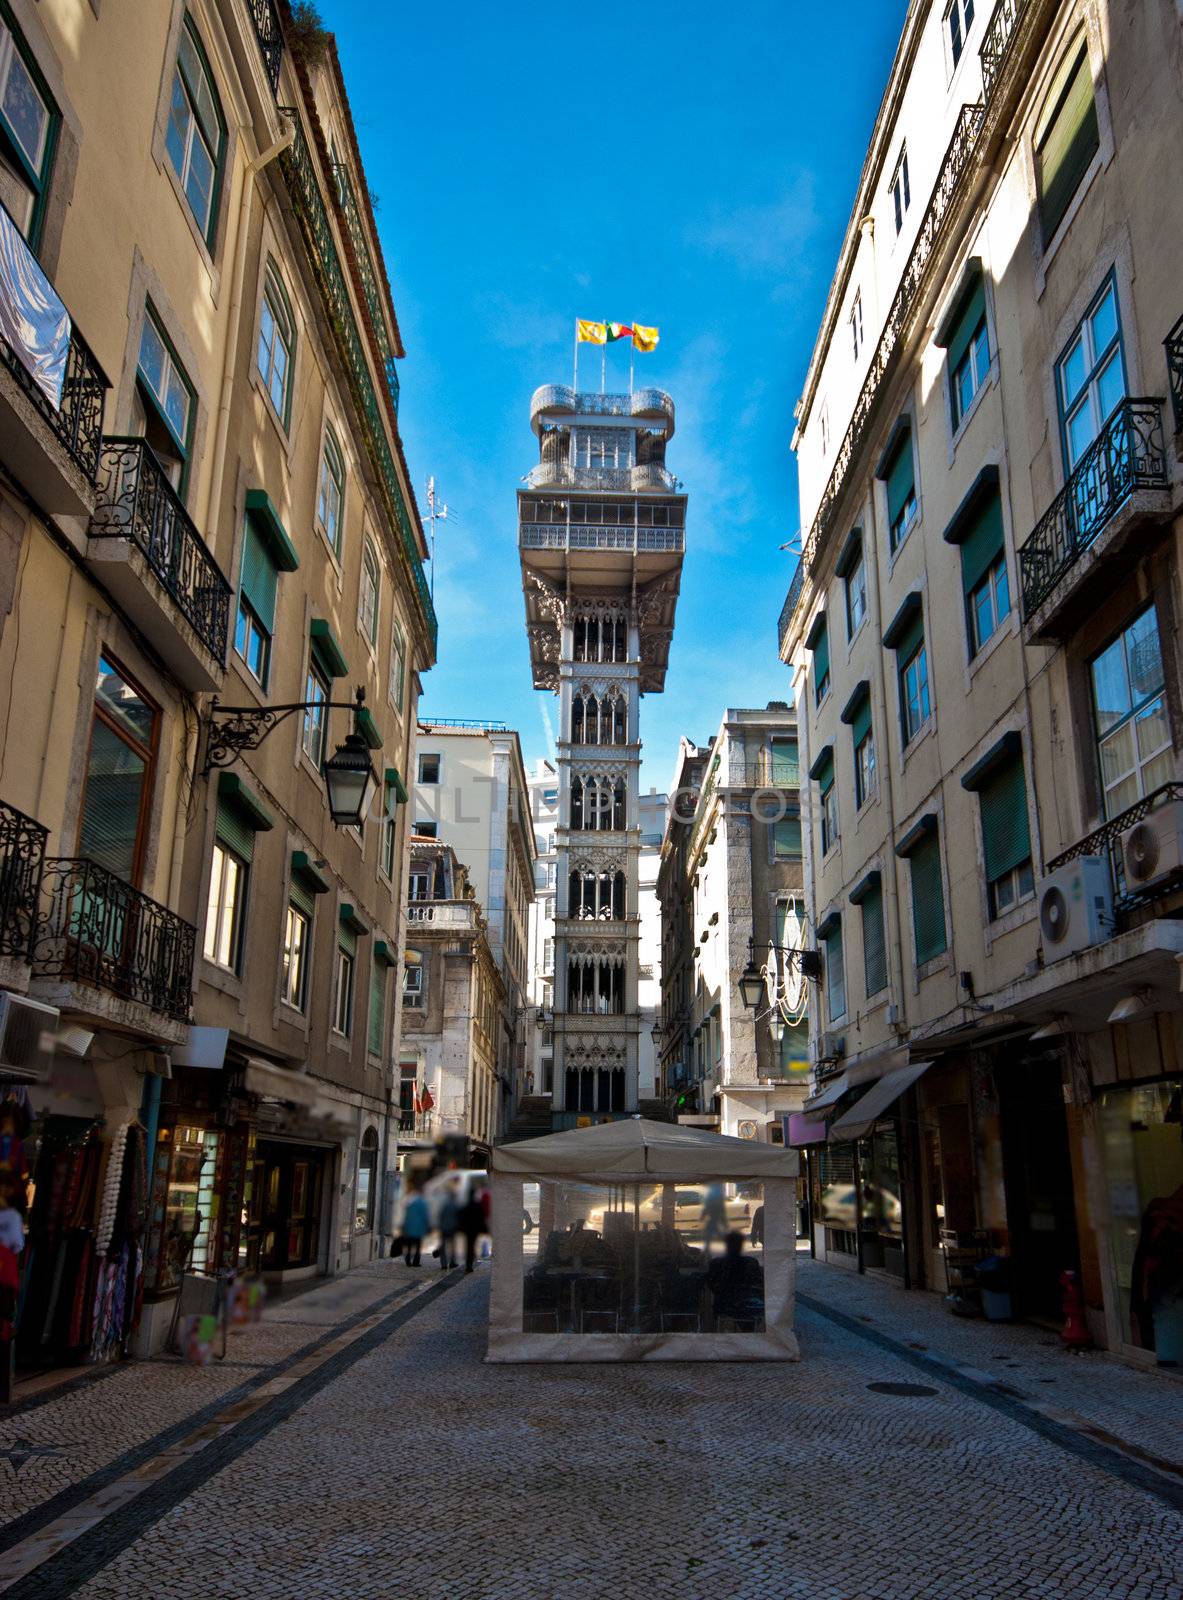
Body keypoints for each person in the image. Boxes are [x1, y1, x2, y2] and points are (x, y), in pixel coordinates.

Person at [458, 1185, 486, 1272]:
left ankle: (468, 1265)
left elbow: (461, 1218)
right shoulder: (477, 1205)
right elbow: (481, 1217)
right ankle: (470, 1264)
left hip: (467, 1230)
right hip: (475, 1230)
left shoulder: (465, 1205)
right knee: (472, 1246)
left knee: (468, 1247)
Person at [435, 1180, 460, 1270]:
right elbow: (458, 1218)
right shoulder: (456, 1206)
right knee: (452, 1246)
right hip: (452, 1229)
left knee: (443, 1246)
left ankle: (444, 1264)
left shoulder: (445, 1205)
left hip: (444, 1228)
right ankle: (452, 1262)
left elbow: (440, 1216)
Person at [402, 1186, 429, 1267]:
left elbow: (406, 1216)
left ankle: (408, 1261)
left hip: (410, 1229)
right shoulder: (423, 1203)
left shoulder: (410, 1203)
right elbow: (425, 1217)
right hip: (419, 1229)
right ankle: (415, 1262)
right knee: (418, 1247)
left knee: (409, 1245)